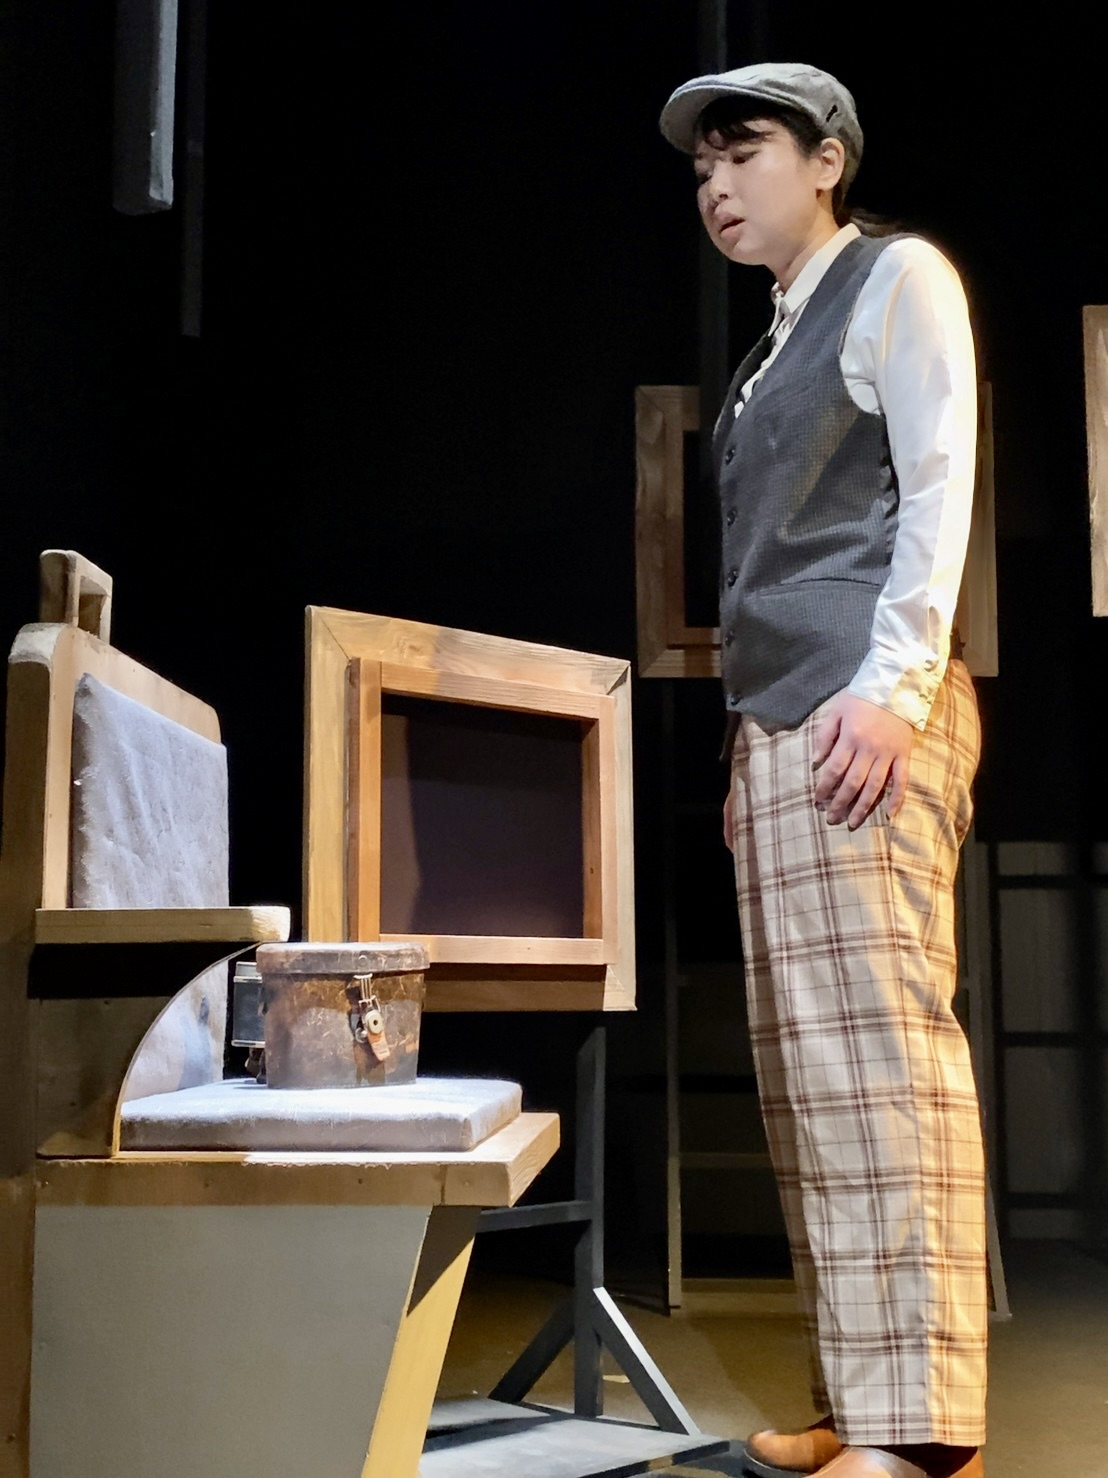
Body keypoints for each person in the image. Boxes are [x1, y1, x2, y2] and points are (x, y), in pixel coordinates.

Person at [657, 63, 987, 1478]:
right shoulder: (766, 351)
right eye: (702, 168)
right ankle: (861, 1402)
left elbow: (939, 485)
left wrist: (894, 690)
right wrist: (753, 747)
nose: (716, 183)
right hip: (790, 727)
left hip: (869, 711)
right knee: (813, 1083)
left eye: (743, 153)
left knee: (885, 1064)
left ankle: (920, 1437)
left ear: (828, 158)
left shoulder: (896, 278)